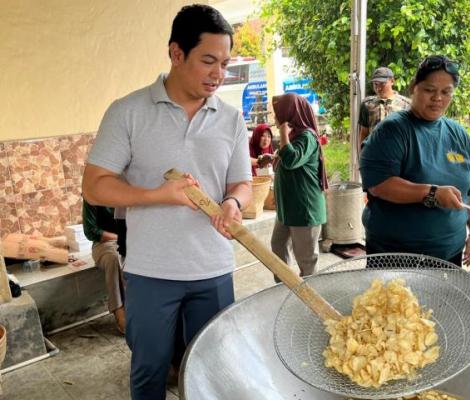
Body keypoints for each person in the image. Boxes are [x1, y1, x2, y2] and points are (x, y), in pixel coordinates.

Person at [81, 5, 252, 400]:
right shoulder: (128, 112)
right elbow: (95, 186)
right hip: (150, 272)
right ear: (176, 53)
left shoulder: (229, 118)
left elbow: (241, 182)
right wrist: (158, 195)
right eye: (208, 61)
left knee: (213, 369)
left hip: (213, 268)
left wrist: (233, 203)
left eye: (224, 63)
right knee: (149, 370)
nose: (218, 74)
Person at [360, 55, 470, 267]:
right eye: (429, 90)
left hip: (448, 253)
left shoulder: (459, 134)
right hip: (395, 255)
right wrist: (432, 193)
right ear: (413, 87)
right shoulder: (392, 130)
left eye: (446, 92)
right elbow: (379, 185)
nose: (438, 98)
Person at [270, 93, 327, 278]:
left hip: (304, 209)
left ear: (289, 113)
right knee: (278, 246)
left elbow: (292, 160)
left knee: (306, 260)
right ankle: (284, 290)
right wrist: (271, 158)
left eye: (278, 112)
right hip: (288, 208)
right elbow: (288, 159)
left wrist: (283, 135)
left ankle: (308, 302)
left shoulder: (307, 137)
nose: (275, 117)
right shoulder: (295, 137)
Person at [82, 200, 126, 334]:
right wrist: (119, 238)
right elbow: (91, 231)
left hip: (132, 238)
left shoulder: (129, 188)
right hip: (105, 243)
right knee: (114, 258)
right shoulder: (93, 195)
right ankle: (120, 313)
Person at [358, 67, 411, 144]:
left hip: (397, 152)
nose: (378, 88)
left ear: (392, 81)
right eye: (375, 84)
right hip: (374, 153)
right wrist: (362, 154)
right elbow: (364, 133)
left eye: (382, 84)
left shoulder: (406, 105)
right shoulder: (367, 105)